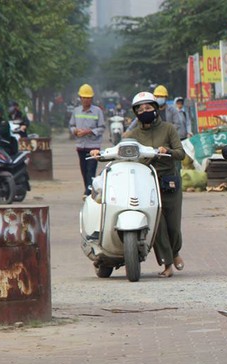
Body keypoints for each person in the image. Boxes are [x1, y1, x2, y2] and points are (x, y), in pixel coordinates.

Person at [121, 91, 186, 277]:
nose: (145, 111)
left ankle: (175, 252)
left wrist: (168, 151)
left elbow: (181, 153)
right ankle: (167, 264)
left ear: (156, 109)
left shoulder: (168, 129)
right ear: (135, 113)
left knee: (173, 224)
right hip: (146, 183)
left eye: (148, 107)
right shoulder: (132, 135)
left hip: (169, 181)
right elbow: (123, 154)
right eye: (140, 109)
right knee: (158, 226)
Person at [69, 84, 105, 197]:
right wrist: (75, 131)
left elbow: (102, 128)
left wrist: (89, 131)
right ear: (80, 98)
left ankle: (89, 192)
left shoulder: (97, 111)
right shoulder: (76, 111)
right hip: (81, 145)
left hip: (93, 146)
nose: (86, 100)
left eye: (88, 98)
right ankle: (87, 189)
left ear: (92, 99)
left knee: (91, 169)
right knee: (84, 170)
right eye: (84, 97)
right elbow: (71, 126)